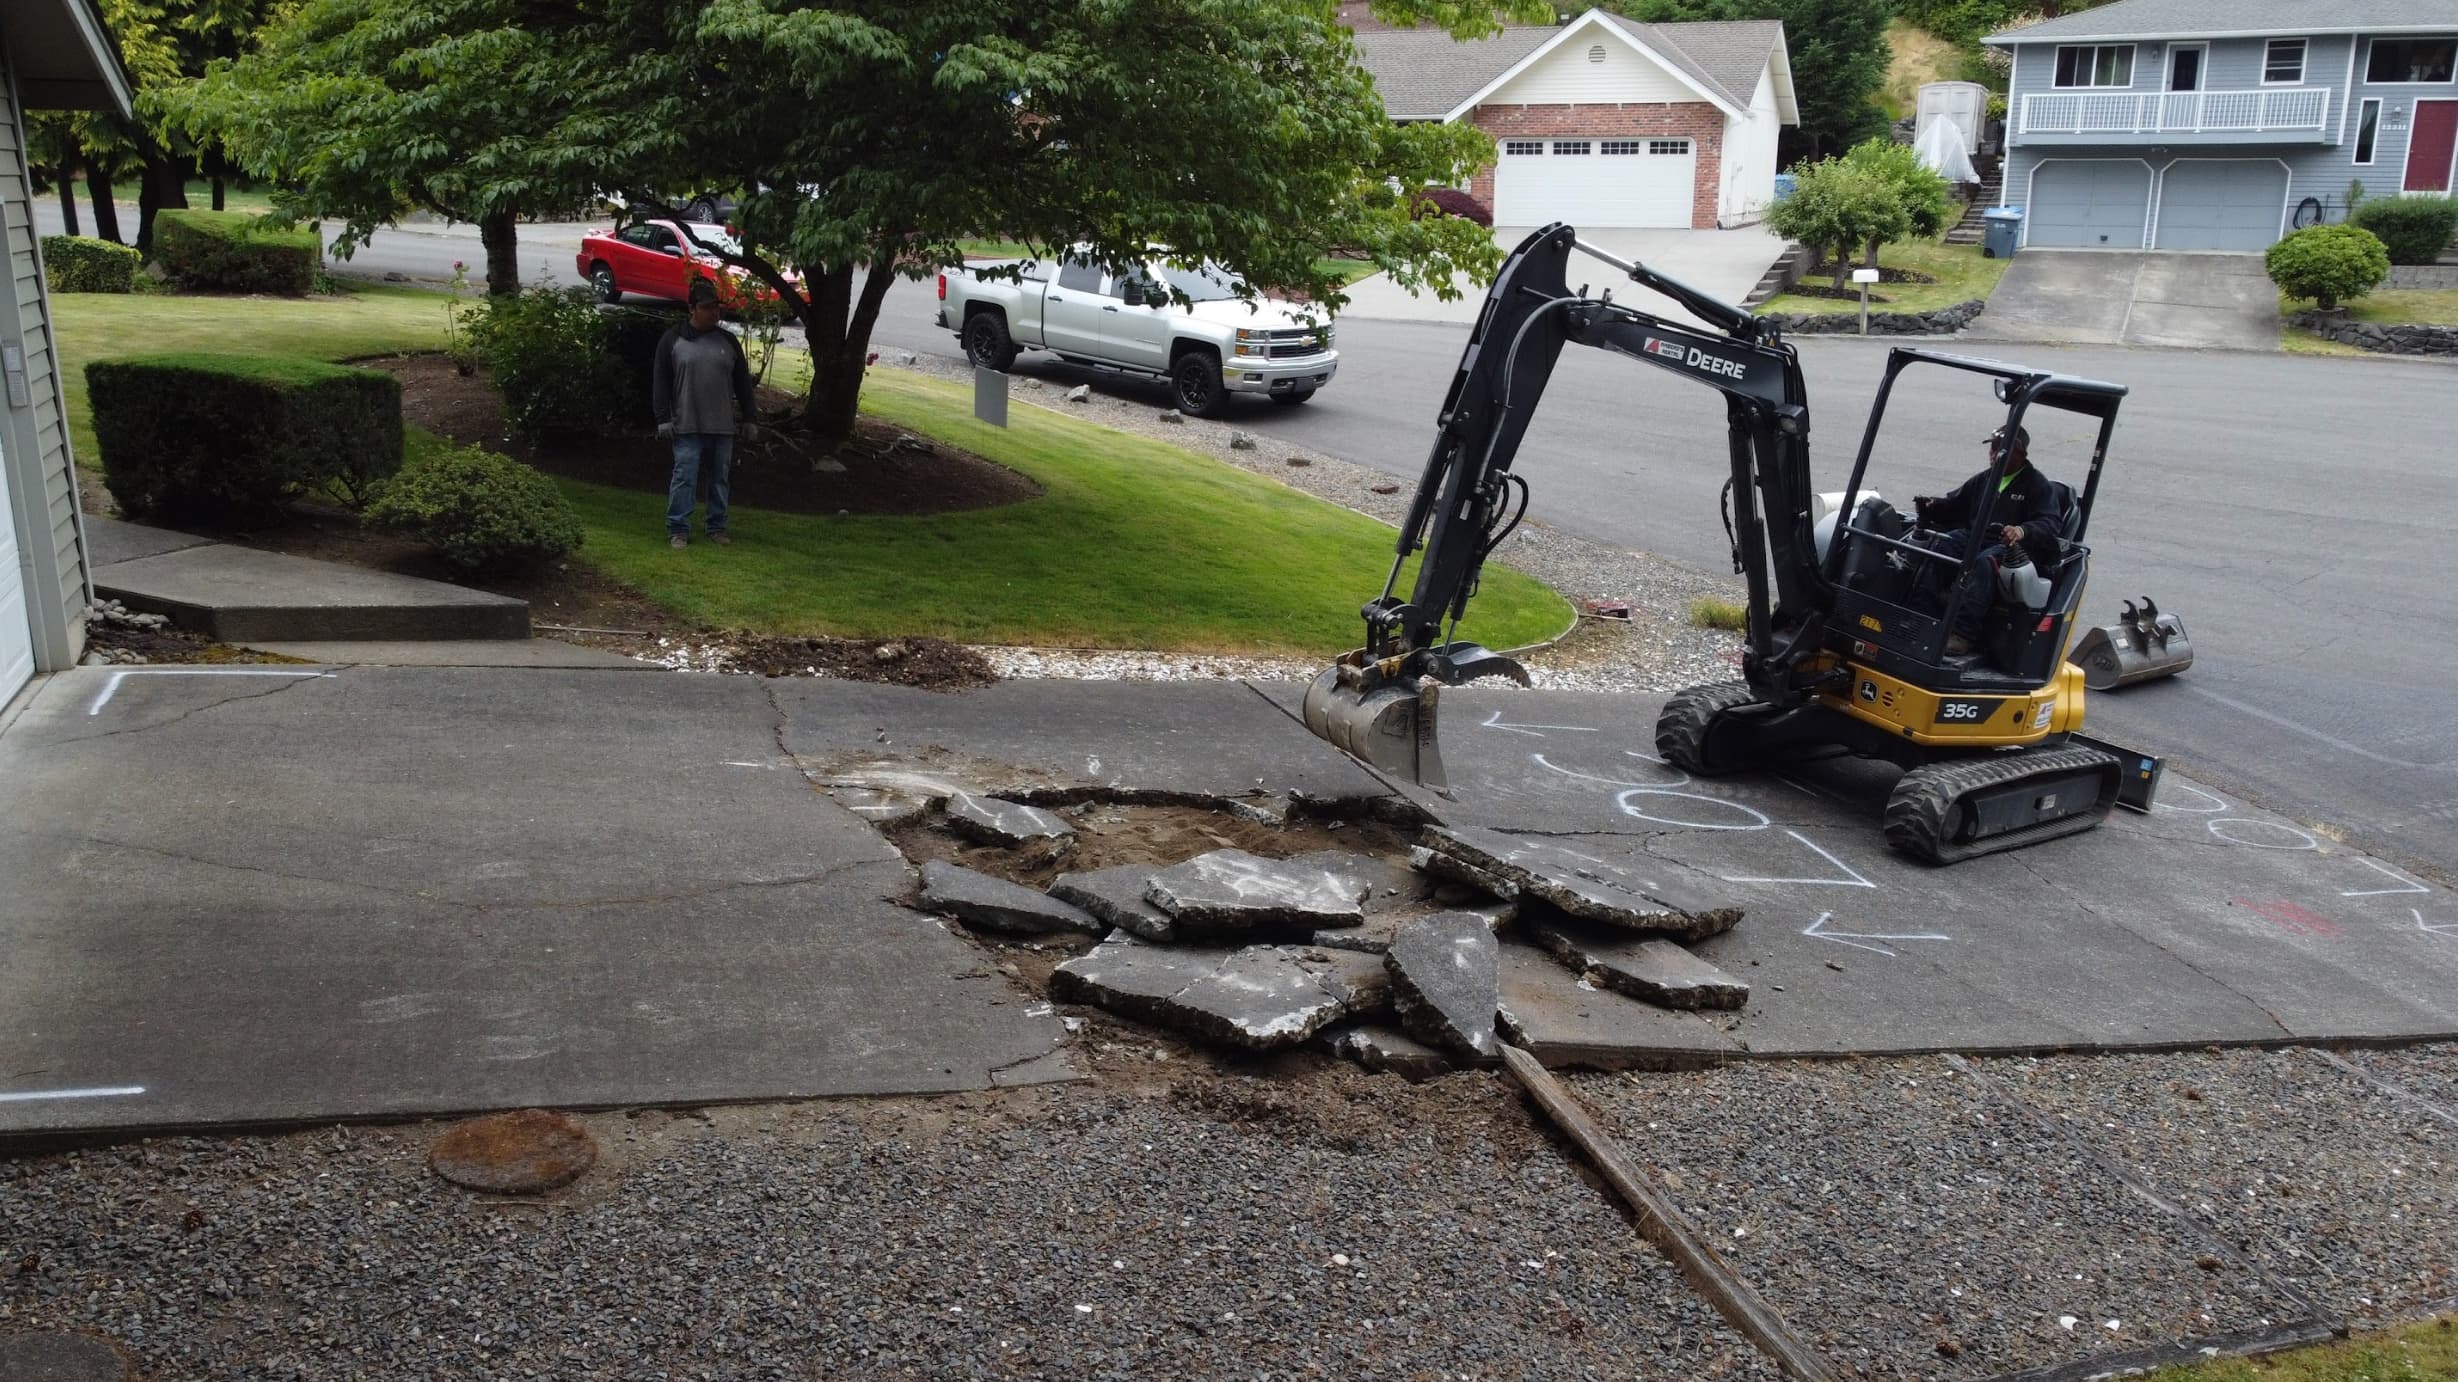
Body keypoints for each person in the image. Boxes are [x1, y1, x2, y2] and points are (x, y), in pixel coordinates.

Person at [1913, 424, 2067, 656]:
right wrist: (1932, 506)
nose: (1995, 454)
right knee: (1944, 545)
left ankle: (1962, 634)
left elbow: (2049, 523)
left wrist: (2022, 530)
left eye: (2001, 450)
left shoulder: (2037, 485)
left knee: (1986, 562)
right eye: (1993, 449)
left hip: (2014, 549)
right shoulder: (1984, 480)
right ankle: (1921, 616)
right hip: (1978, 538)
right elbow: (1956, 504)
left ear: (2020, 454)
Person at [652, 277, 759, 548]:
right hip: (686, 424)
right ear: (693, 309)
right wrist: (663, 418)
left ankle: (717, 526)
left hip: (721, 426)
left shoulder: (728, 342)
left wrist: (749, 417)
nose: (715, 312)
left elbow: (742, 383)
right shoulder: (673, 339)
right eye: (708, 307)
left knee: (719, 479)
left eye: (716, 307)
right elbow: (661, 380)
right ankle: (678, 528)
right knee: (684, 477)